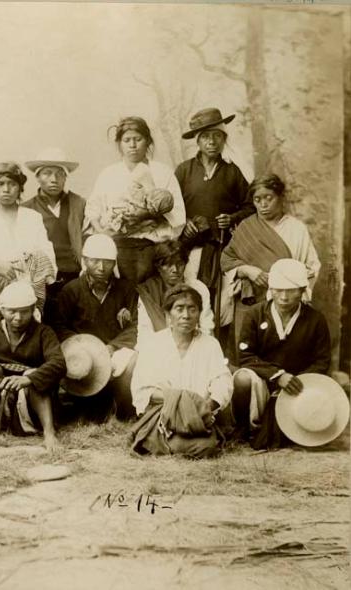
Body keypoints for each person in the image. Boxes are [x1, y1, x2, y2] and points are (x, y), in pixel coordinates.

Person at [231, 259, 331, 449]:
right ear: (271, 289)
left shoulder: (316, 320)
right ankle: (243, 429)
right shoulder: (255, 314)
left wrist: (295, 381)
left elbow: (322, 360)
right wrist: (277, 376)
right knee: (242, 378)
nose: (284, 297)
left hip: (298, 385)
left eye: (291, 290)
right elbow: (245, 356)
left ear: (302, 290)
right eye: (278, 290)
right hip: (264, 381)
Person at [220, 174, 321, 359]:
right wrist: (247, 270)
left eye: (269, 198)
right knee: (249, 354)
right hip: (251, 302)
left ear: (280, 198)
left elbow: (311, 267)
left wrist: (286, 282)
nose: (263, 205)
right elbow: (227, 259)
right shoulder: (246, 227)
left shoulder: (296, 229)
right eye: (257, 200)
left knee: (283, 353)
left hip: (285, 301)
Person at [130, 284, 233, 458]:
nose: (186, 315)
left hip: (198, 417)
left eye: (192, 309)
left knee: (205, 447)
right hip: (163, 414)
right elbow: (141, 389)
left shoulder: (210, 344)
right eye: (179, 309)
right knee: (175, 442)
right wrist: (181, 401)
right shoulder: (153, 344)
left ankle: (175, 443)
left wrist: (205, 406)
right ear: (168, 315)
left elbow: (223, 382)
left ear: (199, 314)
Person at [0, 281, 65, 450]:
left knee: (35, 373)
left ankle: (49, 433)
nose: (18, 318)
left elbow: (58, 363)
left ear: (33, 310)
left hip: (31, 403)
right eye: (12, 311)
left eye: (24, 312)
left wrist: (29, 379)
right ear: (2, 310)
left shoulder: (44, 333)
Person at [175, 108, 254, 330]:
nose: (212, 142)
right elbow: (173, 208)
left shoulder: (232, 172)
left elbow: (250, 206)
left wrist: (232, 218)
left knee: (223, 303)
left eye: (217, 136)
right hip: (191, 248)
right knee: (192, 296)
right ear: (198, 141)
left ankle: (219, 350)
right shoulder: (184, 171)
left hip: (222, 248)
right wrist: (186, 222)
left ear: (224, 139)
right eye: (206, 136)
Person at [86, 116, 185, 283]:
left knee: (149, 294)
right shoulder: (108, 174)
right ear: (119, 144)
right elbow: (92, 209)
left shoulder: (163, 172)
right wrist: (102, 233)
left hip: (152, 247)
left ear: (147, 141)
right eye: (127, 140)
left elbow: (178, 216)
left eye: (138, 139)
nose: (132, 145)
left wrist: (147, 215)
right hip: (116, 246)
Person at [53, 234, 138, 420]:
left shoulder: (126, 290)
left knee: (131, 361)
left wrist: (112, 347)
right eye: (95, 261)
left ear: (114, 263)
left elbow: (135, 327)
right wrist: (85, 346)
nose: (101, 268)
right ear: (84, 261)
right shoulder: (71, 290)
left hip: (114, 350)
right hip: (82, 352)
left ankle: (124, 410)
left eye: (107, 262)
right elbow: (59, 326)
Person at [0, 162, 57, 320]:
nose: (6, 190)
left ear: (20, 188)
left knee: (27, 339)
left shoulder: (32, 218)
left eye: (12, 184)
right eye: (0, 184)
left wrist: (18, 274)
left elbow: (45, 256)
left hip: (28, 289)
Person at [23, 148, 86, 322]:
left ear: (66, 177)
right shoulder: (26, 208)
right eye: (47, 173)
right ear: (37, 177)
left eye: (60, 174)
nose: (54, 179)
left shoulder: (79, 204)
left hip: (75, 275)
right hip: (41, 278)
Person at [136, 240, 214, 347]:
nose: (175, 270)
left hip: (193, 345)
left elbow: (207, 326)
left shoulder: (198, 288)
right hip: (158, 347)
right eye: (168, 265)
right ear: (158, 267)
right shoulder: (148, 291)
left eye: (180, 264)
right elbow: (145, 330)